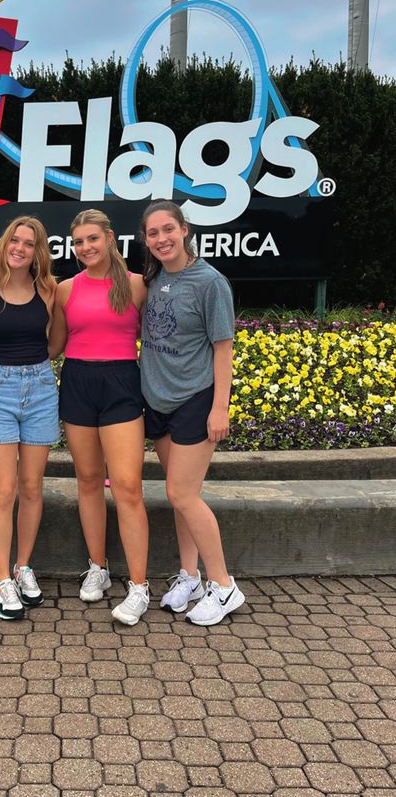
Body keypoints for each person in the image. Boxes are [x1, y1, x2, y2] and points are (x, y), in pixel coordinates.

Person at [139, 199, 245, 626]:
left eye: (168, 229)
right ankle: (191, 576)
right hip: (157, 401)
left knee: (181, 494)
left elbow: (224, 350)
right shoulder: (156, 277)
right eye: (153, 233)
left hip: (195, 401)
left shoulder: (210, 282)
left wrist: (220, 408)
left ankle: (224, 585)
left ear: (184, 230)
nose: (162, 239)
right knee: (181, 495)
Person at [50, 208, 150, 626]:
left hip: (122, 383)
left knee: (127, 486)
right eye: (78, 242)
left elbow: (158, 338)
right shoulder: (64, 290)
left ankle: (140, 586)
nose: (85, 247)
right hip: (77, 383)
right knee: (89, 481)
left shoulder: (138, 286)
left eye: (92, 238)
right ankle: (98, 567)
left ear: (110, 238)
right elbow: (52, 347)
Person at [0, 217, 59, 620]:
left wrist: (31, 364)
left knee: (32, 487)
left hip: (41, 388)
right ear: (5, 243)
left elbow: (55, 344)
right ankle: (1, 578)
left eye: (29, 243)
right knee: (4, 490)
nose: (19, 248)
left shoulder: (49, 289)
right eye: (14, 240)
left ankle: (24, 566)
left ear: (38, 250)